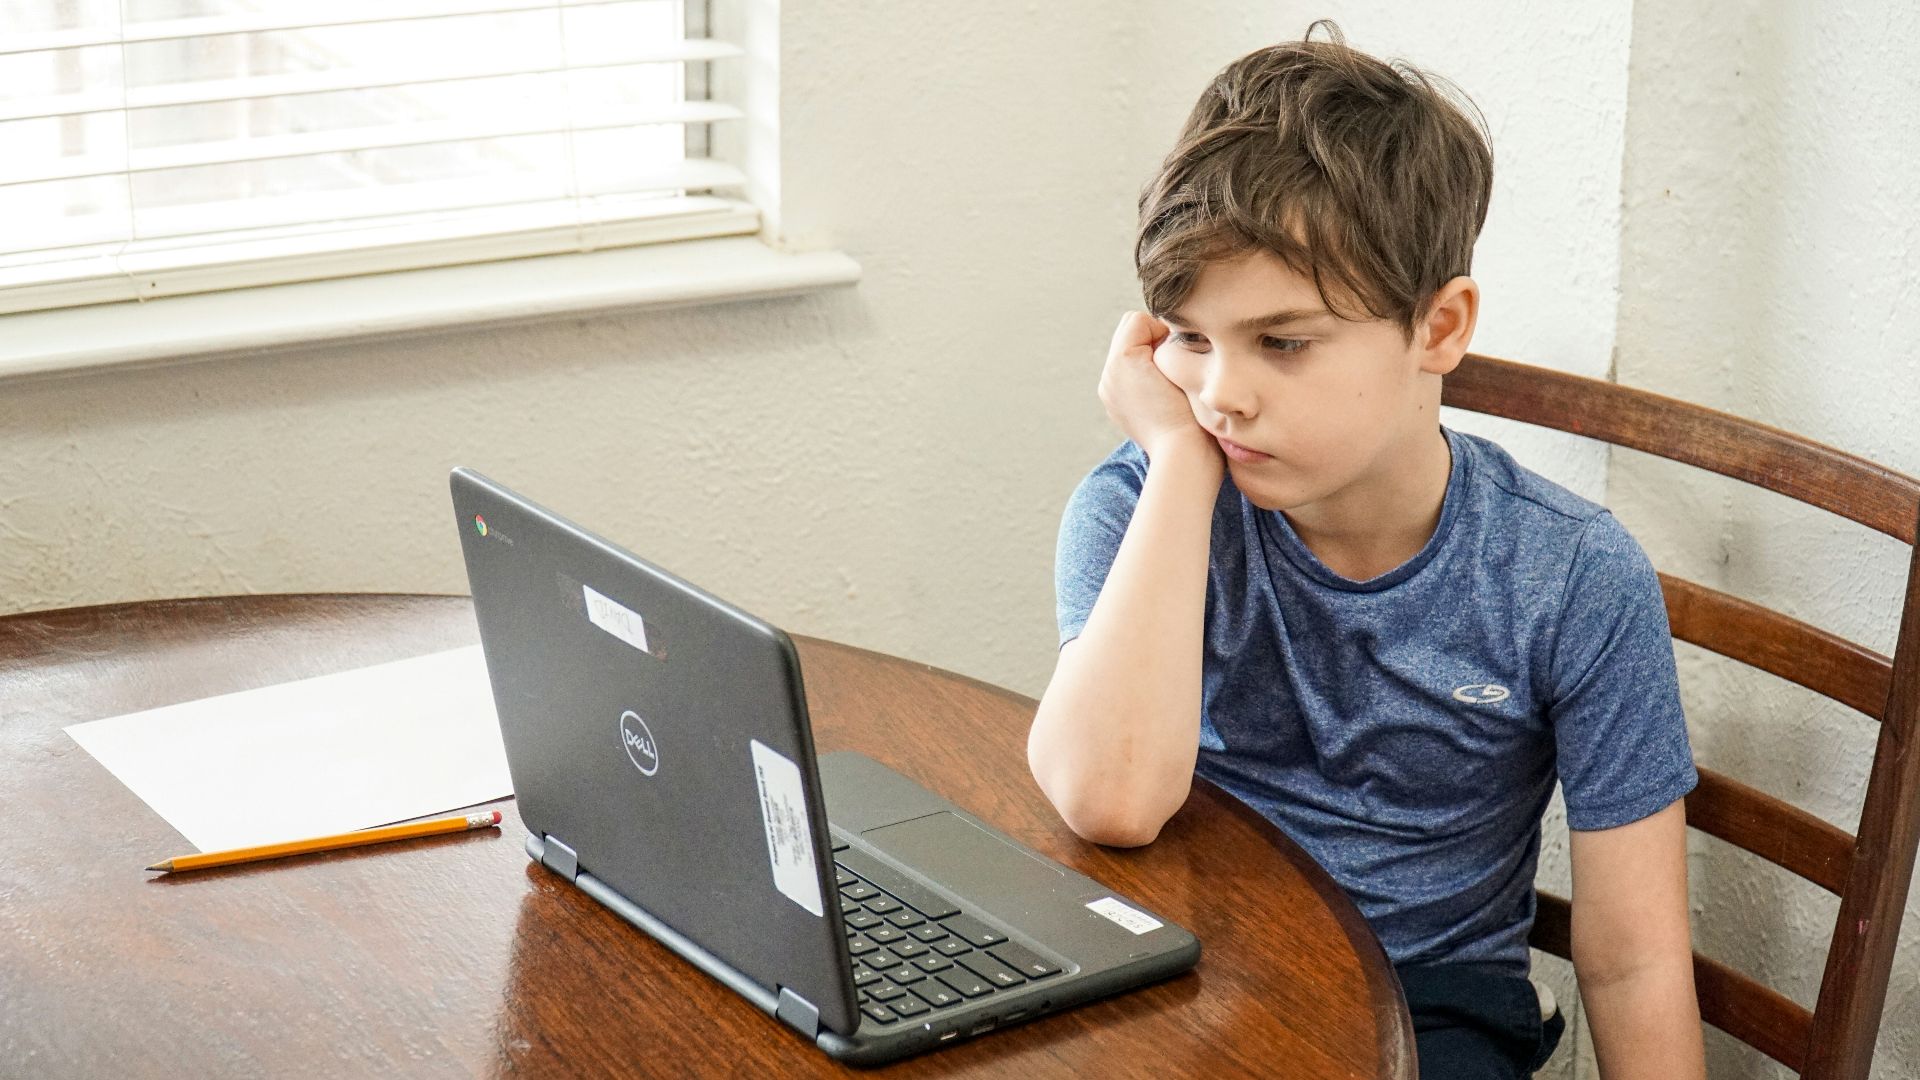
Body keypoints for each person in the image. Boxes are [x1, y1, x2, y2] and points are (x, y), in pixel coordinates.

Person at [1028, 22, 1706, 1079]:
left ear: (1439, 329)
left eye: (1282, 342)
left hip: (1427, 1009)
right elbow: (1107, 799)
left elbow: (1635, 965)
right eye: (1191, 339)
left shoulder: (1571, 577)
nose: (1220, 394)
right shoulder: (1142, 504)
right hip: (1181, 978)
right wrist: (1176, 467)